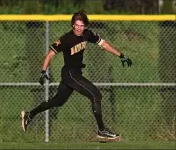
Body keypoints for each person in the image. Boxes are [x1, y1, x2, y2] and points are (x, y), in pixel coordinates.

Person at [21, 10, 132, 141]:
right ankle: (102, 131)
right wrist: (43, 71)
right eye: (77, 25)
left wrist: (121, 55)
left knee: (57, 101)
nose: (79, 28)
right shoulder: (65, 39)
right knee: (96, 94)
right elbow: (50, 54)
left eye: (82, 25)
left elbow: (104, 44)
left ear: (85, 26)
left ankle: (29, 115)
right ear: (73, 24)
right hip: (70, 74)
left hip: (75, 74)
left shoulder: (87, 34)